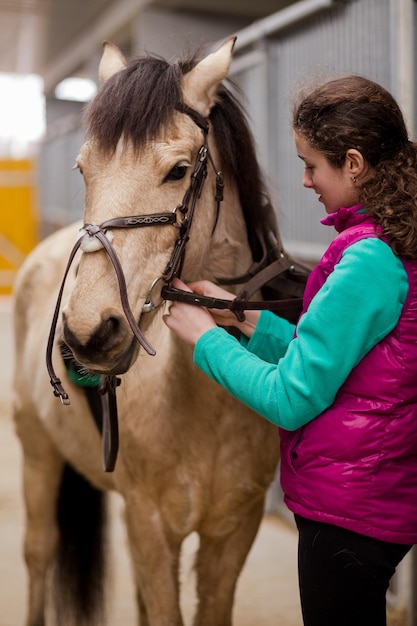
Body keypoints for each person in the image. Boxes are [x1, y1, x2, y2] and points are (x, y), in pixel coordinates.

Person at [163, 75, 417, 626]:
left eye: (311, 165)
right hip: (369, 493)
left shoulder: (369, 261)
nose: (303, 180)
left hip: (349, 510)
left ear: (353, 163)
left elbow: (292, 397)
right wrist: (242, 316)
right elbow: (340, 360)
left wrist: (204, 339)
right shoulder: (394, 238)